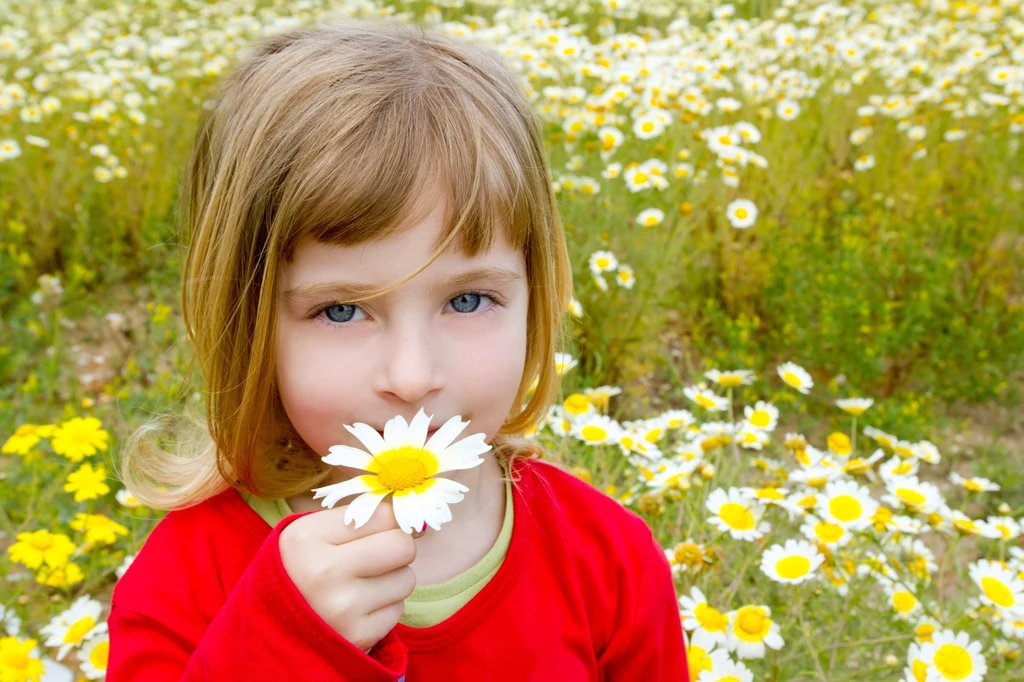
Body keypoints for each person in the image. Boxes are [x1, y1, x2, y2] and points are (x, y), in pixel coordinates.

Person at [106, 16, 688, 681]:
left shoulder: (610, 564)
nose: (412, 377)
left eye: (468, 300)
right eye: (342, 309)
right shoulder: (186, 583)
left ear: (538, 297)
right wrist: (278, 646)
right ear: (250, 326)